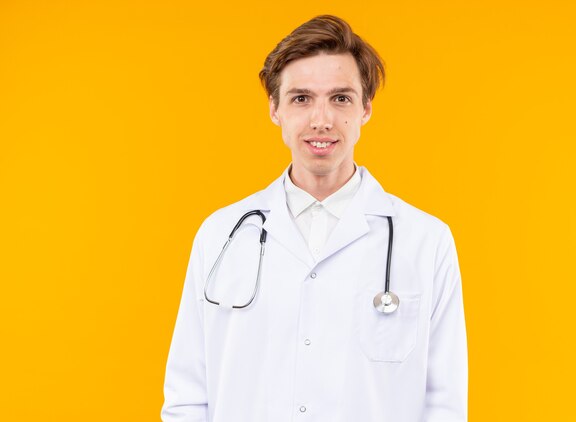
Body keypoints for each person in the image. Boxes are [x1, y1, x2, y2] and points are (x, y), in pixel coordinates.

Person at [162, 15, 467, 422]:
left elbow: (444, 404)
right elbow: (186, 395)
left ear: (366, 108)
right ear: (275, 109)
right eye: (301, 98)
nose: (321, 120)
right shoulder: (221, 235)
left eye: (340, 98)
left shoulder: (426, 241)